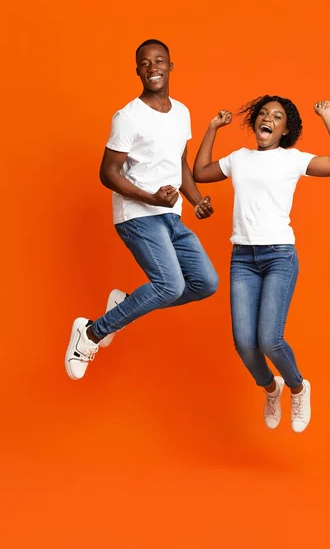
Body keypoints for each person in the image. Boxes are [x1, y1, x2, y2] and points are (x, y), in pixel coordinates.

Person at [193, 96, 330, 432]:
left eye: (277, 116)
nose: (267, 118)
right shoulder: (240, 158)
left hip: (279, 255)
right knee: (243, 344)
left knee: (269, 339)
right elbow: (200, 173)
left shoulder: (292, 160)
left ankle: (297, 387)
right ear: (255, 123)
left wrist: (328, 116)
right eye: (263, 113)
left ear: (285, 129)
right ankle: (271, 387)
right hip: (243, 259)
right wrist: (212, 129)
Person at [65, 39, 219, 381]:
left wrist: (196, 201)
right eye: (146, 63)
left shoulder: (182, 112)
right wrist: (150, 197)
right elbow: (108, 172)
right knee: (169, 285)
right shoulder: (128, 117)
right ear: (138, 70)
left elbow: (179, 162)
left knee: (206, 282)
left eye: (159, 61)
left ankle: (124, 307)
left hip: (171, 214)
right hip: (137, 216)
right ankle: (90, 334)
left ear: (170, 66)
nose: (153, 68)